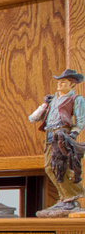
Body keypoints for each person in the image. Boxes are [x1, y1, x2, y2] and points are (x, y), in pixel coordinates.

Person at [28, 68, 85, 216]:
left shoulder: (76, 99)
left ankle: (70, 198)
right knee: (49, 167)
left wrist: (74, 133)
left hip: (62, 134)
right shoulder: (52, 100)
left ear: (71, 84)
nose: (60, 84)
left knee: (61, 167)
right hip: (49, 135)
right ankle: (66, 197)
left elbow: (80, 120)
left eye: (63, 82)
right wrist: (45, 104)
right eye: (59, 82)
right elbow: (33, 118)